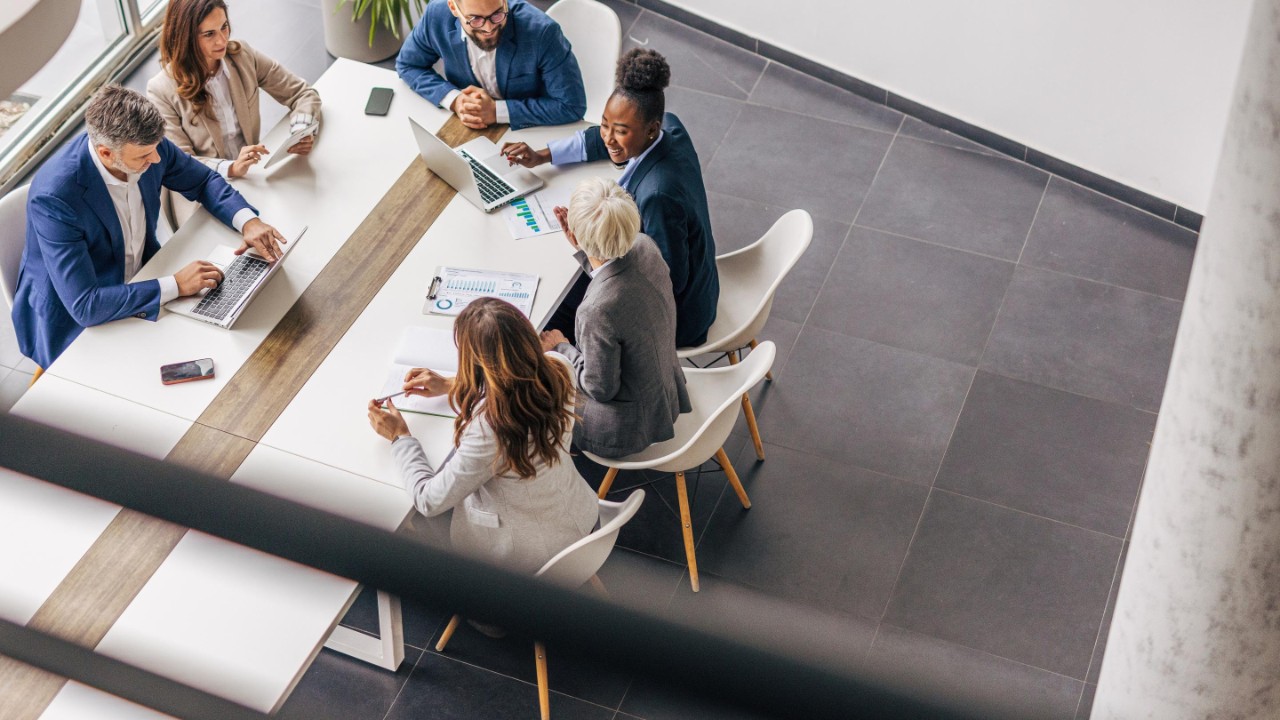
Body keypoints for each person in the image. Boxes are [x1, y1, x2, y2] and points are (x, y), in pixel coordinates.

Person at [11, 84, 287, 371]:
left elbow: (202, 181)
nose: (156, 160)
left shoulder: (149, 144)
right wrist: (176, 285)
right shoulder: (55, 197)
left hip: (142, 274)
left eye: (156, 150)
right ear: (106, 153)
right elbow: (86, 305)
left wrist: (248, 222)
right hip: (75, 321)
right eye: (143, 157)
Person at [501, 48, 718, 348]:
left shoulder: (658, 194)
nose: (608, 138)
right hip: (703, 279)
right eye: (605, 124)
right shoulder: (670, 126)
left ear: (651, 129)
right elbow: (601, 140)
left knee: (554, 315)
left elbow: (667, 281)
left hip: (678, 317)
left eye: (620, 131)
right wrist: (542, 155)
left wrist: (594, 255)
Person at [366, 297, 598, 576]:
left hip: (528, 563)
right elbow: (512, 382)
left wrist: (400, 436)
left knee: (414, 520)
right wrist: (451, 385)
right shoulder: (560, 368)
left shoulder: (491, 427)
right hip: (580, 519)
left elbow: (428, 500)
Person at [538, 177, 690, 459]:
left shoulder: (597, 310)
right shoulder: (646, 246)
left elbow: (600, 388)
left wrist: (560, 347)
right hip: (664, 392)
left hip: (626, 428)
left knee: (528, 389)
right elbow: (614, 269)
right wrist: (586, 247)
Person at [147, 0, 322, 180]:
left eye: (224, 26)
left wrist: (302, 132)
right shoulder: (161, 90)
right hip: (205, 190)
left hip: (253, 174)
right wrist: (230, 168)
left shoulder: (242, 55)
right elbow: (181, 164)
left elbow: (303, 93)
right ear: (186, 38)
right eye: (209, 34)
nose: (222, 40)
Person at [396, 0, 586, 130]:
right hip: (466, 127)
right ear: (453, 8)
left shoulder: (542, 32)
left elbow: (572, 106)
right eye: (475, 19)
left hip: (530, 131)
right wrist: (455, 99)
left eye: (497, 14)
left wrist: (497, 111)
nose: (489, 28)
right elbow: (408, 65)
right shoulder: (436, 16)